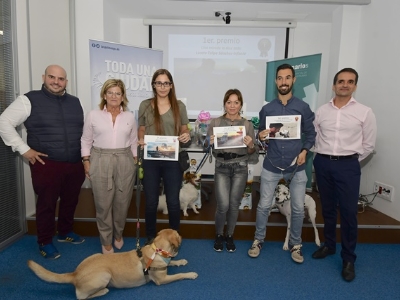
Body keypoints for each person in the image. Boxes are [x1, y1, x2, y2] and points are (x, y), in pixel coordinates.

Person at [0, 65, 85, 259]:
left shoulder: (75, 102)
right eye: (52, 77)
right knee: (46, 204)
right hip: (47, 163)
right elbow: (3, 122)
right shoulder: (28, 100)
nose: (56, 81)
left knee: (71, 200)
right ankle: (45, 241)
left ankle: (65, 232)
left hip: (74, 162)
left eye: (61, 78)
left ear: (66, 82)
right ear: (44, 77)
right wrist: (24, 150)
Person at [312, 68, 376, 282]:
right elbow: (315, 137)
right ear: (334, 85)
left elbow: (368, 145)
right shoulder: (321, 111)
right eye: (341, 81)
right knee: (328, 209)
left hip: (348, 165)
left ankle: (348, 258)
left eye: (350, 82)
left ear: (355, 86)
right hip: (322, 163)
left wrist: (348, 162)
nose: (345, 85)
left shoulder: (365, 112)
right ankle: (329, 245)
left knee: (348, 213)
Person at [248, 63, 316, 263]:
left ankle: (296, 244)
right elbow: (261, 136)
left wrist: (305, 151)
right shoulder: (267, 109)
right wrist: (261, 136)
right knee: (263, 207)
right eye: (280, 78)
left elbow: (311, 134)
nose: (283, 81)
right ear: (276, 81)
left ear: (293, 80)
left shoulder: (303, 107)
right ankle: (258, 240)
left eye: (287, 77)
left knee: (297, 208)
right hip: (272, 164)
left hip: (297, 165)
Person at [81, 79, 137, 254]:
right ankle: (106, 240)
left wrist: (135, 161)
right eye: (110, 92)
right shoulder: (93, 115)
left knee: (122, 202)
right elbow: (86, 140)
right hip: (100, 158)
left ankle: (118, 234)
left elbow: (134, 141)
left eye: (117, 93)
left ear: (123, 97)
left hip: (124, 159)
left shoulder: (129, 116)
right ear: (104, 95)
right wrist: (86, 161)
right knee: (103, 204)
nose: (114, 96)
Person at [138, 69, 191, 242]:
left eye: (166, 83)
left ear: (171, 85)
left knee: (173, 202)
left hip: (172, 160)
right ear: (153, 85)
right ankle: (150, 237)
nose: (162, 86)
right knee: (151, 201)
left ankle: (174, 237)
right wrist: (140, 138)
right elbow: (142, 128)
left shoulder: (179, 106)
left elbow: (184, 128)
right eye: (159, 83)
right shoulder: (145, 105)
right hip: (151, 159)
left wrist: (185, 135)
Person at [207, 89, 256, 252]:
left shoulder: (247, 125)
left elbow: (252, 152)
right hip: (221, 166)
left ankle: (230, 235)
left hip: (240, 167)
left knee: (234, 205)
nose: (232, 105)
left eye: (236, 102)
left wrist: (250, 146)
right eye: (229, 102)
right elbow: (206, 147)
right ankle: (219, 234)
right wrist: (210, 142)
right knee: (223, 205)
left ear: (241, 104)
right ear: (224, 104)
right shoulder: (215, 123)